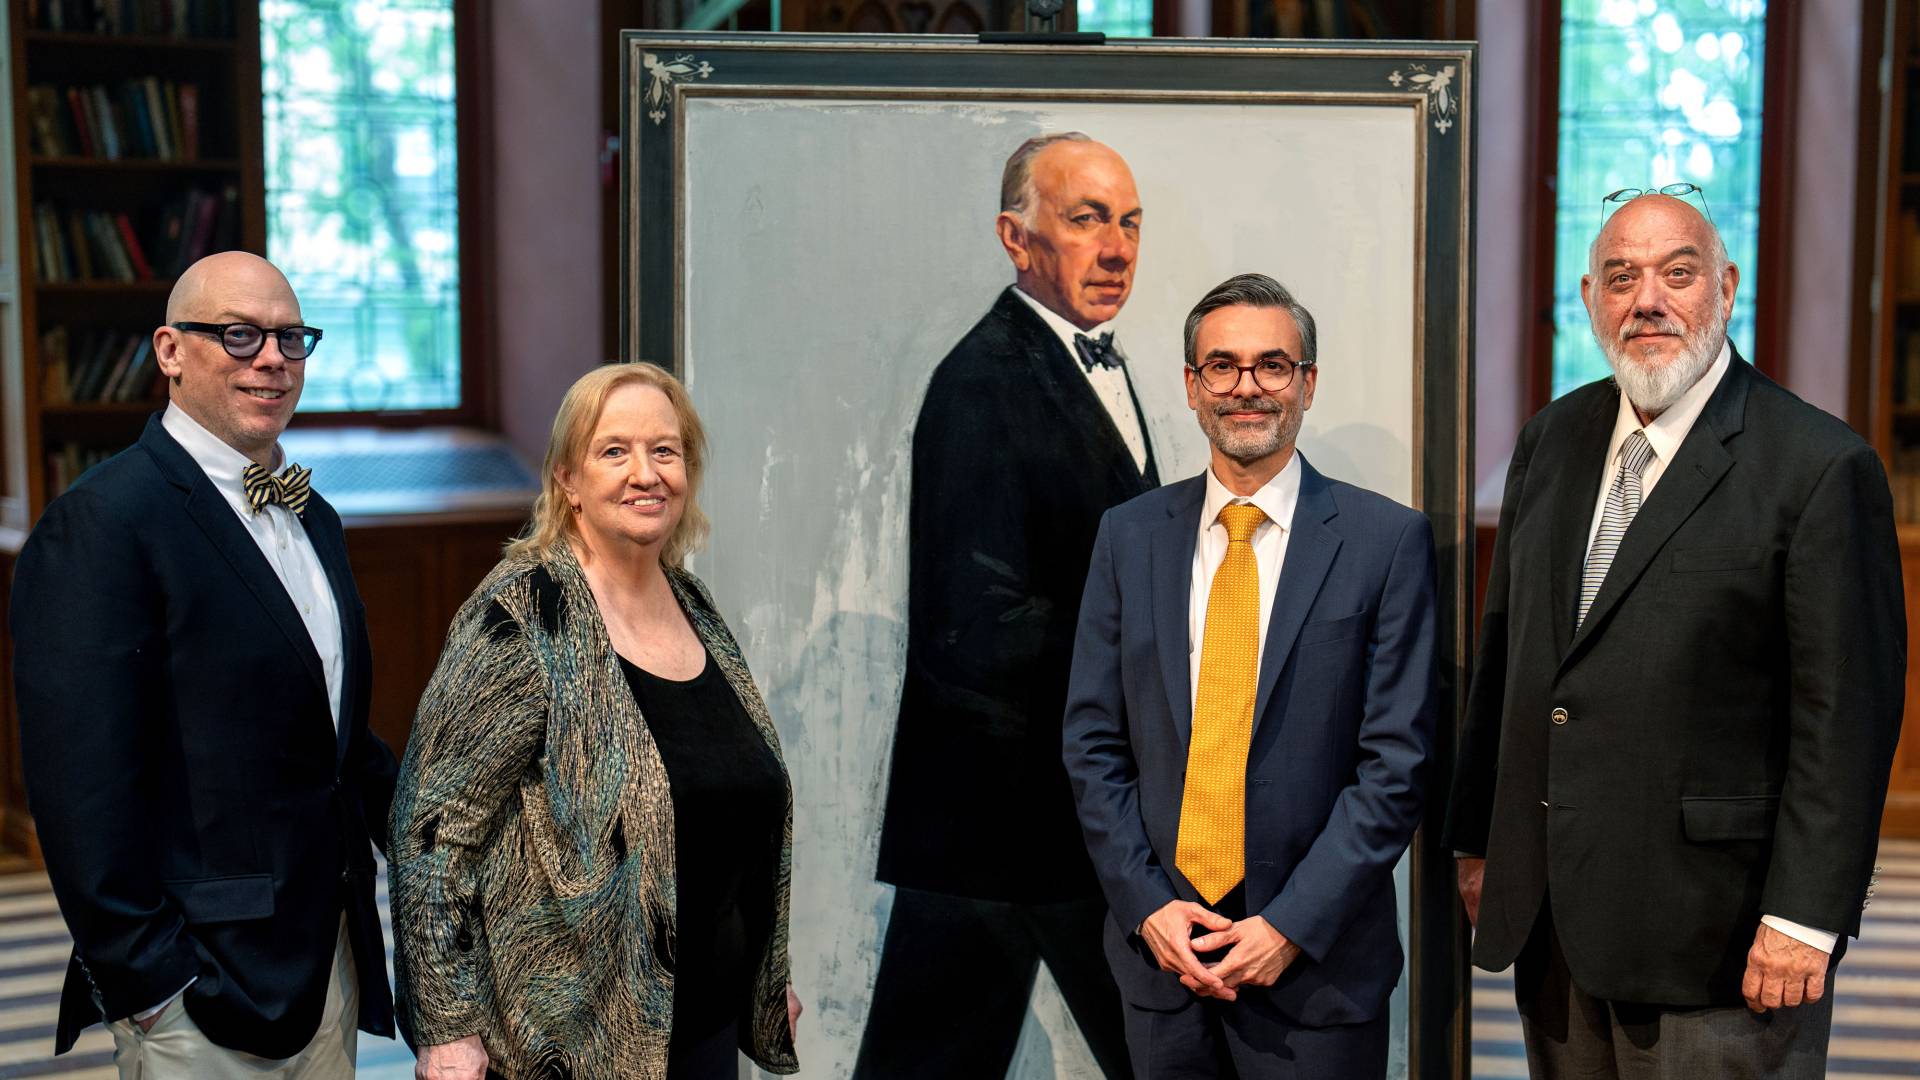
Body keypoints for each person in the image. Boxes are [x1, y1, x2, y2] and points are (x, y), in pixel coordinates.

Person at [1444, 191, 1906, 1078]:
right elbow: (1508, 659)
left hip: (1724, 942)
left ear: (1726, 288)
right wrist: (1481, 841)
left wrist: (1804, 919)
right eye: (1621, 277)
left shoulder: (1818, 467)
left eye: (1677, 273)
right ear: (1589, 299)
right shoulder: (1554, 438)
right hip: (1555, 917)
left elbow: (1843, 719)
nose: (1646, 299)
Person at [11, 251, 397, 1078]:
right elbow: (81, 786)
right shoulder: (105, 524)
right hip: (197, 990)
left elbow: (336, 744)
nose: (272, 359)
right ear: (170, 350)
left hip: (326, 959)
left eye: (291, 339)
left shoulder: (312, 516)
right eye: (238, 334)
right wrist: (150, 982)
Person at [1063, 273, 1437, 1078]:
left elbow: (1396, 767)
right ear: (1193, 387)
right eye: (1222, 367)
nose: (1247, 388)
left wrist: (1291, 925)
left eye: (1273, 365)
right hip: (1164, 961)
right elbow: (1092, 743)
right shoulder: (1129, 538)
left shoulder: (1385, 542)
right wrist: (1147, 907)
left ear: (1307, 384)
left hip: (1316, 972)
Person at [389, 362, 801, 1080]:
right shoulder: (520, 619)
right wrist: (446, 1028)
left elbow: (728, 804)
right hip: (566, 1048)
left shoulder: (693, 603)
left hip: (701, 1028)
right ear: (566, 479)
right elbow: (431, 831)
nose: (646, 473)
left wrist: (762, 975)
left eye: (664, 451)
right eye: (615, 451)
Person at [857, 131, 1155, 1079]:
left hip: (1050, 813)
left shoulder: (1087, 360)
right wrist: (1156, 659)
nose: (1115, 248)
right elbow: (974, 626)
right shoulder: (981, 381)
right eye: (1085, 220)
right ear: (1015, 237)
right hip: (1000, 820)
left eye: (1130, 223)